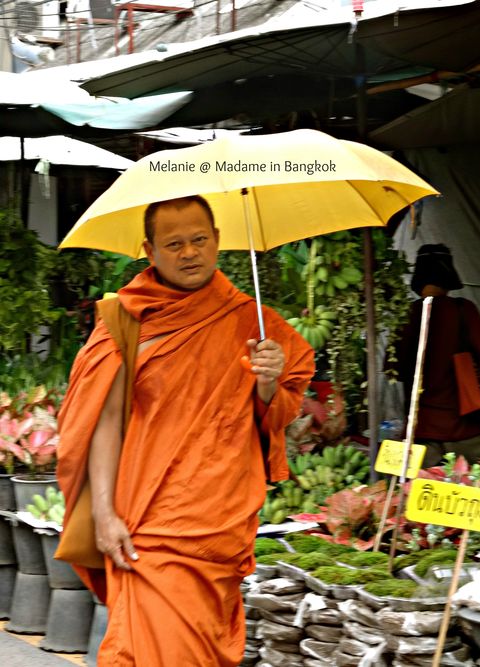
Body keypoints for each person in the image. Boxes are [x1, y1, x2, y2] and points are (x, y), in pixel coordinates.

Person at [56, 195, 315, 667]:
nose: (189, 253)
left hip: (222, 519)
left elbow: (274, 417)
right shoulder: (126, 319)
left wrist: (268, 383)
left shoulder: (252, 322)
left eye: (199, 240)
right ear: (150, 251)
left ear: (218, 241)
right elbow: (105, 421)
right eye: (173, 244)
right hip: (149, 521)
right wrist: (105, 515)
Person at [393, 243, 480, 468]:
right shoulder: (463, 309)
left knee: (417, 496)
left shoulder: (406, 315)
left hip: (421, 429)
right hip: (464, 427)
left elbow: (395, 371)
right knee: (473, 493)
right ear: (449, 275)